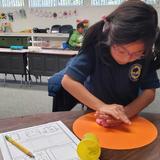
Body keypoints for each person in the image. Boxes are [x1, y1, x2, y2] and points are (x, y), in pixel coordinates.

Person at [62, 0, 160, 127]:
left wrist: (125, 113)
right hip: (95, 110)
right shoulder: (96, 46)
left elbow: (149, 92)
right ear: (109, 37)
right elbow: (68, 81)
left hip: (128, 114)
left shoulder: (146, 53)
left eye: (137, 53)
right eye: (121, 51)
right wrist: (102, 106)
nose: (127, 58)